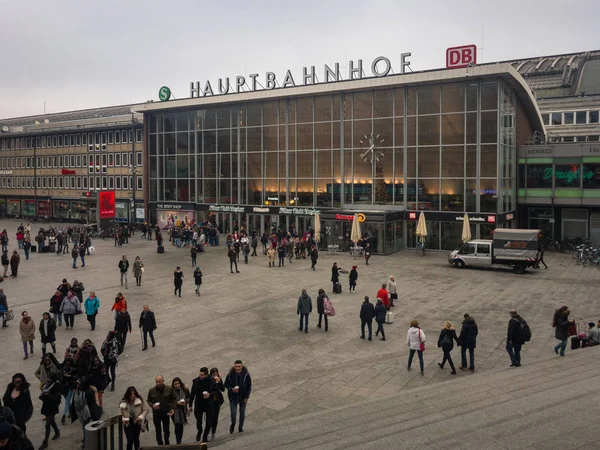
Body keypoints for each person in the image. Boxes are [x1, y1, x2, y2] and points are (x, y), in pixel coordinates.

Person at [69, 378, 102, 449]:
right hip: (84, 411)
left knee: (86, 426)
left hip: (90, 411)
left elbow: (90, 403)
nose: (77, 385)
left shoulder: (88, 392)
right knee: (85, 426)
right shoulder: (80, 391)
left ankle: (86, 441)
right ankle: (86, 439)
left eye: (79, 384)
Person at [224, 360, 252, 434]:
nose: (238, 368)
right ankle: (233, 423)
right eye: (236, 366)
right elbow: (226, 384)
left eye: (239, 366)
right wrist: (231, 389)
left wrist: (247, 397)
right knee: (233, 413)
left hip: (242, 396)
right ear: (234, 366)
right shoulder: (230, 374)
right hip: (233, 397)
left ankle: (240, 427)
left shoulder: (246, 374)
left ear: (242, 366)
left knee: (242, 412)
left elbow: (249, 386)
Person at [147, 375, 176, 446]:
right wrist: (152, 405)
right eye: (156, 382)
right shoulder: (151, 390)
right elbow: (149, 400)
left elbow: (174, 399)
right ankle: (160, 444)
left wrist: (172, 408)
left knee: (166, 429)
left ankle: (167, 442)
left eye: (159, 381)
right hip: (156, 414)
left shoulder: (169, 389)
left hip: (166, 413)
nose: (158, 383)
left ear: (163, 381)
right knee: (158, 430)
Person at [189, 368, 215, 443]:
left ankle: (205, 435)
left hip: (208, 403)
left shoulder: (211, 380)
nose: (200, 376)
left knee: (209, 422)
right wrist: (190, 404)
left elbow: (215, 391)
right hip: (199, 403)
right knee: (199, 420)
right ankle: (199, 431)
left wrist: (209, 394)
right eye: (200, 374)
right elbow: (193, 393)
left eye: (202, 375)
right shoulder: (196, 381)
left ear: (206, 375)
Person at [38, 373, 61, 449]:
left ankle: (45, 442)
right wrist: (43, 396)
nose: (47, 381)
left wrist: (49, 395)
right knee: (52, 421)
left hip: (53, 408)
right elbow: (40, 397)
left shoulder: (56, 388)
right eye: (47, 379)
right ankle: (57, 432)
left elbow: (56, 399)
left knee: (47, 425)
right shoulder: (44, 387)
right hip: (46, 407)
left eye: (49, 380)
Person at [170, 378, 190, 445]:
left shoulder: (184, 389)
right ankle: (178, 440)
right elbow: (169, 402)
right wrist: (177, 403)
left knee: (181, 426)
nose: (177, 385)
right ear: (173, 385)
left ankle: (179, 440)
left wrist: (185, 401)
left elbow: (189, 397)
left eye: (178, 383)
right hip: (175, 411)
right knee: (177, 426)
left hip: (183, 410)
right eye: (175, 384)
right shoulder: (171, 391)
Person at [209, 368, 224, 440]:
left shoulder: (219, 379)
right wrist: (215, 382)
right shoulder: (209, 381)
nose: (215, 376)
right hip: (210, 402)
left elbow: (223, 389)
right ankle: (208, 431)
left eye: (216, 374)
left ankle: (213, 433)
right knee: (210, 417)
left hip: (217, 402)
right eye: (213, 375)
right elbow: (209, 391)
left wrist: (219, 381)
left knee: (215, 418)